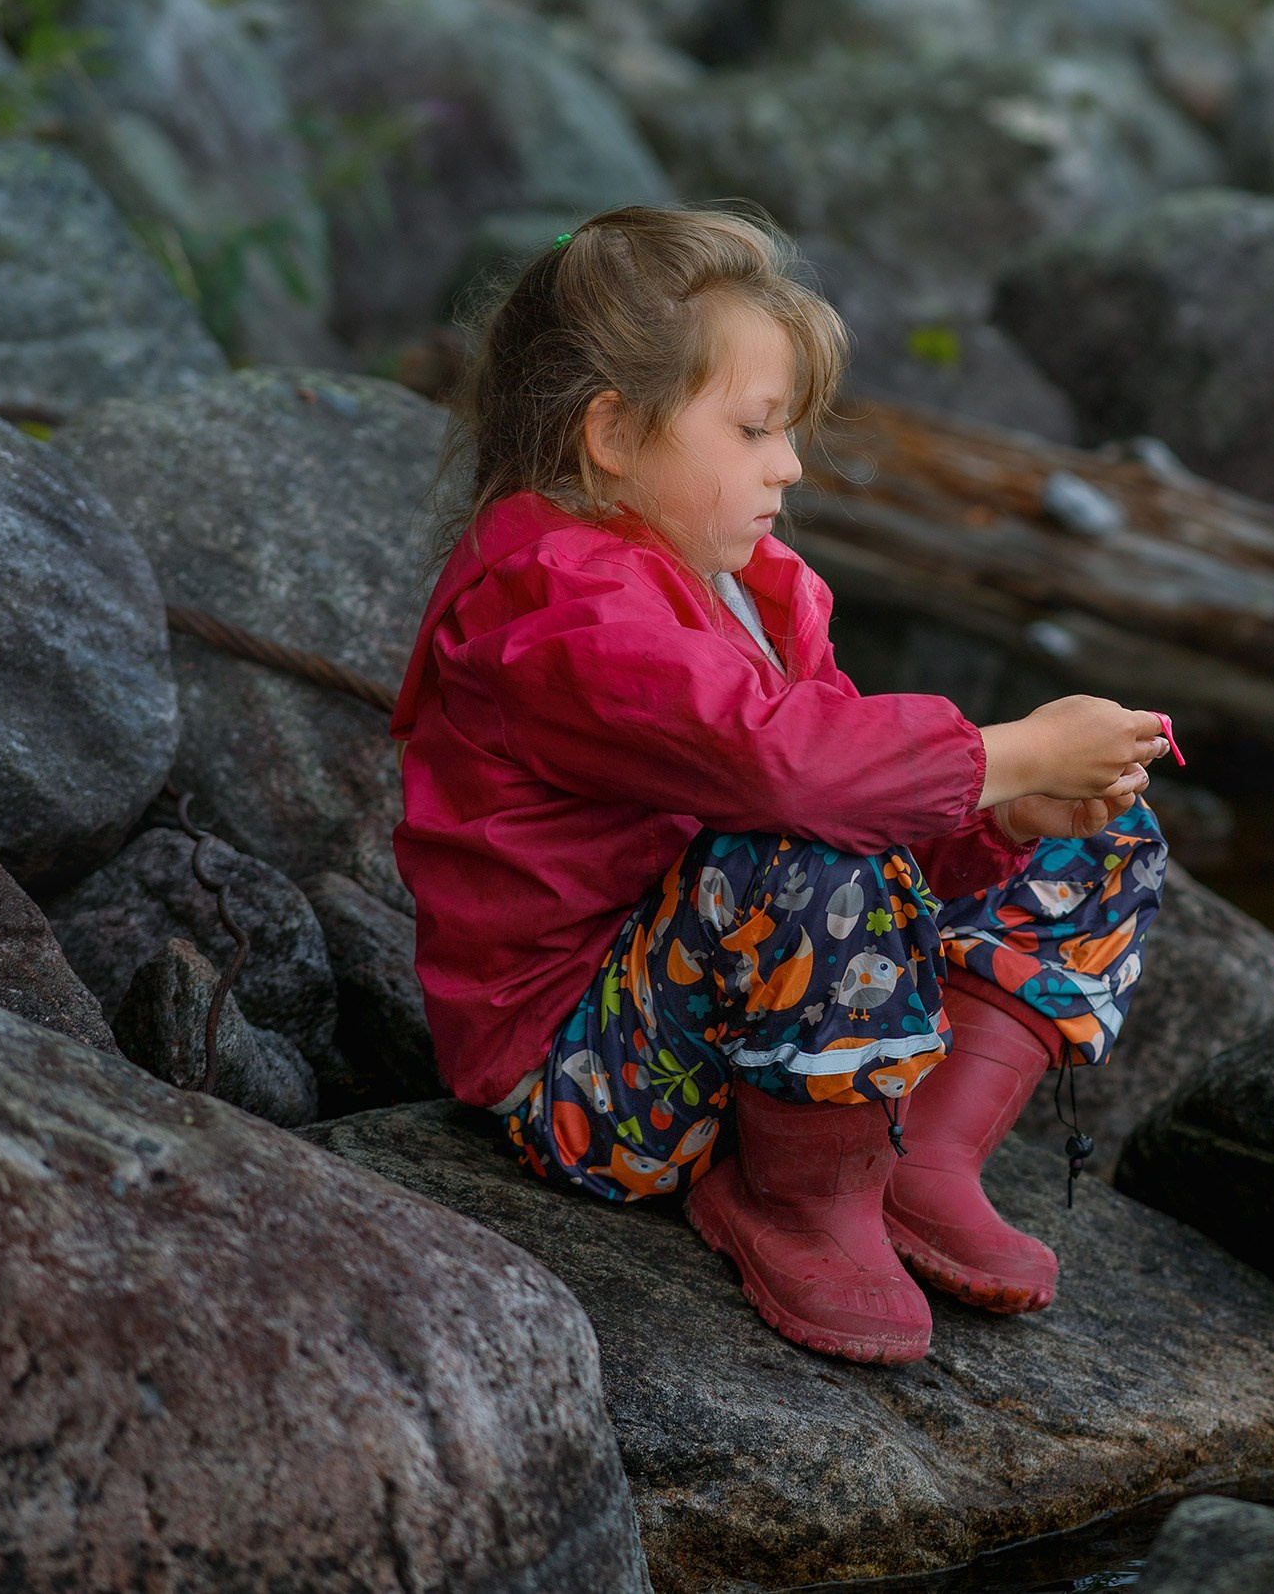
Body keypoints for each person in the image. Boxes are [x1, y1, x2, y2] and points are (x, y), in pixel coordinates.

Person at [390, 206, 1170, 1366]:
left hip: (741, 1040)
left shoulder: (747, 584)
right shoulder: (549, 604)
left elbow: (862, 785)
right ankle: (798, 1202)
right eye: (756, 430)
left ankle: (915, 1163)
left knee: (1096, 835)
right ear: (611, 432)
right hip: (591, 1084)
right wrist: (1002, 752)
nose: (790, 466)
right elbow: (777, 762)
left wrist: (1004, 816)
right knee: (807, 840)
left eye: (789, 432)